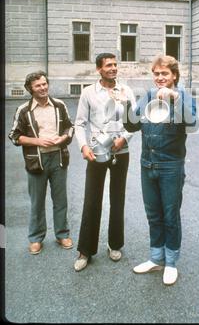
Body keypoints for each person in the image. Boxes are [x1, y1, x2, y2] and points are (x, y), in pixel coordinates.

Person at [123, 55, 197, 285]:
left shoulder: (184, 95)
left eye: (164, 73)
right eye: (156, 73)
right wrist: (124, 103)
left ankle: (171, 262)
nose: (160, 77)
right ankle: (156, 258)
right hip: (148, 165)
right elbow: (132, 125)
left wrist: (175, 99)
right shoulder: (147, 95)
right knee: (153, 214)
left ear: (174, 75)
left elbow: (192, 124)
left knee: (170, 216)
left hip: (171, 167)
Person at [73, 52, 136, 272]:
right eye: (108, 65)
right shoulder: (88, 93)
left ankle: (115, 244)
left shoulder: (126, 90)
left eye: (115, 65)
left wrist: (123, 139)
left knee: (117, 198)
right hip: (96, 152)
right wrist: (83, 146)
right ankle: (85, 251)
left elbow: (133, 121)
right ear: (99, 69)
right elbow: (79, 124)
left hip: (121, 150)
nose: (113, 68)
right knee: (92, 199)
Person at [9, 71, 74, 255]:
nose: (43, 88)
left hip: (59, 158)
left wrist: (63, 138)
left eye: (45, 84)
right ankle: (36, 238)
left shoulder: (59, 105)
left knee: (60, 200)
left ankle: (62, 234)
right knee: (37, 201)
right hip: (36, 161)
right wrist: (36, 141)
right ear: (30, 89)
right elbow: (13, 136)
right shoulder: (24, 110)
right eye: (38, 85)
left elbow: (70, 127)